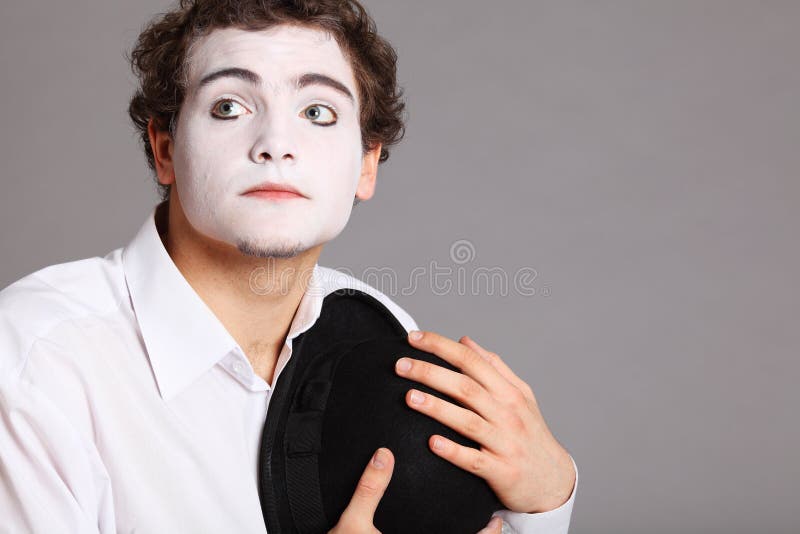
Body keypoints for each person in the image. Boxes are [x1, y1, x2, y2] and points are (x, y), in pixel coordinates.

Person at [0, 0, 577, 532]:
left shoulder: (373, 332)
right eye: (229, 106)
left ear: (366, 165)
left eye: (318, 111)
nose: (275, 143)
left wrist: (548, 497)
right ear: (165, 148)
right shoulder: (32, 363)